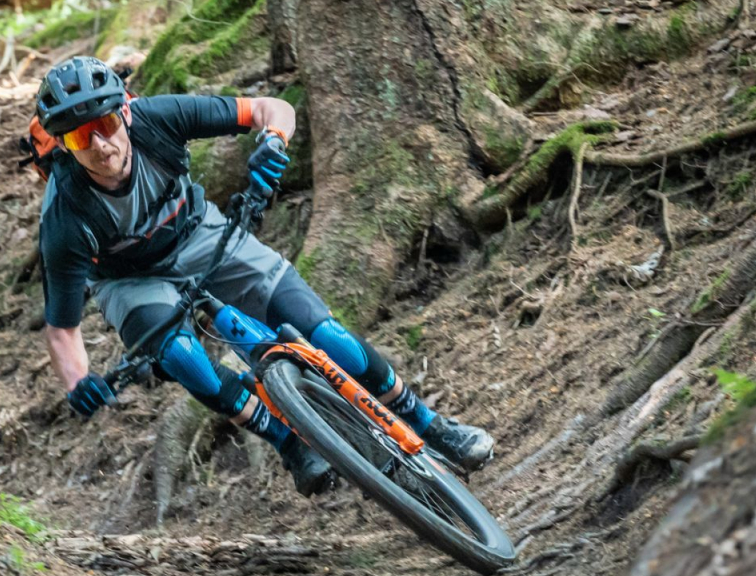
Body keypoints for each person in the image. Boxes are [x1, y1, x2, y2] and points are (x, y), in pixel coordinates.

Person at [33, 56, 494, 495]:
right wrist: (79, 383)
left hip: (200, 234)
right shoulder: (65, 218)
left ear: (126, 113)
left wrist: (273, 140)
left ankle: (431, 425)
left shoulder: (160, 118)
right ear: (67, 149)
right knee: (179, 356)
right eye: (78, 139)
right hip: (130, 281)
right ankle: (288, 442)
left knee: (326, 335)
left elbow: (273, 109)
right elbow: (62, 329)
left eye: (105, 126)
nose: (98, 145)